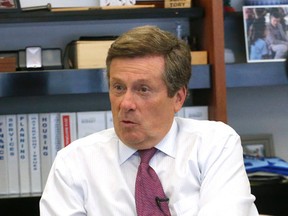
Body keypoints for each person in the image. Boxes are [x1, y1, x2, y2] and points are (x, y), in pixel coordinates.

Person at [40, 25, 259, 215]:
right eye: (118, 87)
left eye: (143, 89)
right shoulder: (73, 163)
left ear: (178, 97)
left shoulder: (215, 144)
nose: (125, 104)